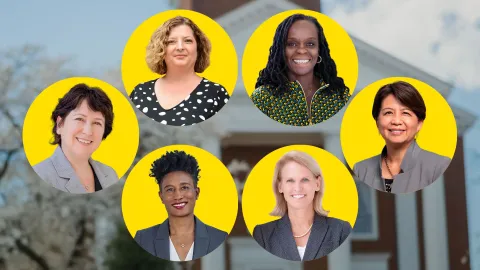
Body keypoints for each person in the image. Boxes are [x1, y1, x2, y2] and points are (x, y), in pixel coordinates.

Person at [251, 13, 350, 126]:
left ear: (319, 50)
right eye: (292, 44)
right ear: (281, 51)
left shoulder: (340, 96)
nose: (301, 50)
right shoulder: (263, 98)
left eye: (310, 44)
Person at [130, 16, 230, 126]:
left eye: (187, 41)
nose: (180, 47)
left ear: (198, 47)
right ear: (161, 49)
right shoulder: (139, 93)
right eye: (171, 42)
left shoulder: (216, 94)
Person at [353, 81, 451, 193]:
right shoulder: (362, 169)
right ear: (377, 122)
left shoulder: (438, 166)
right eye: (388, 113)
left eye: (405, 113)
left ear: (419, 123)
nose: (396, 121)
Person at [252, 151, 351, 261]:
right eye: (290, 180)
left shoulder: (340, 230)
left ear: (317, 184)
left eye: (305, 180)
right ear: (280, 186)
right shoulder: (263, 233)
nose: (298, 188)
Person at [134, 150, 227, 261]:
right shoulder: (143, 238)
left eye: (184, 187)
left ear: (196, 192)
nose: (178, 196)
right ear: (161, 197)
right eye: (170, 189)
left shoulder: (218, 237)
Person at [33, 83, 118, 193]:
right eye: (80, 119)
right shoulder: (41, 174)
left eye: (97, 123)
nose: (88, 131)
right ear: (60, 124)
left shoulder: (110, 174)